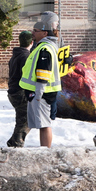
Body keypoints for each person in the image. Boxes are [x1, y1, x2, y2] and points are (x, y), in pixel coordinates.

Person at [20, 11, 62, 148]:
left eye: (36, 30)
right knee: (41, 123)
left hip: (42, 93)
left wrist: (38, 93)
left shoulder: (45, 49)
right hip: (40, 93)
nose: (33, 32)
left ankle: (46, 151)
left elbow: (43, 73)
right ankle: (44, 149)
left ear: (44, 33)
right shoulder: (44, 46)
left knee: (44, 125)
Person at [6, 30, 33, 148]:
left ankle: (12, 142)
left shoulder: (15, 55)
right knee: (24, 121)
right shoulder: (26, 57)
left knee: (23, 120)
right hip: (20, 92)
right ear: (32, 42)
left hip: (13, 91)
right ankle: (17, 144)